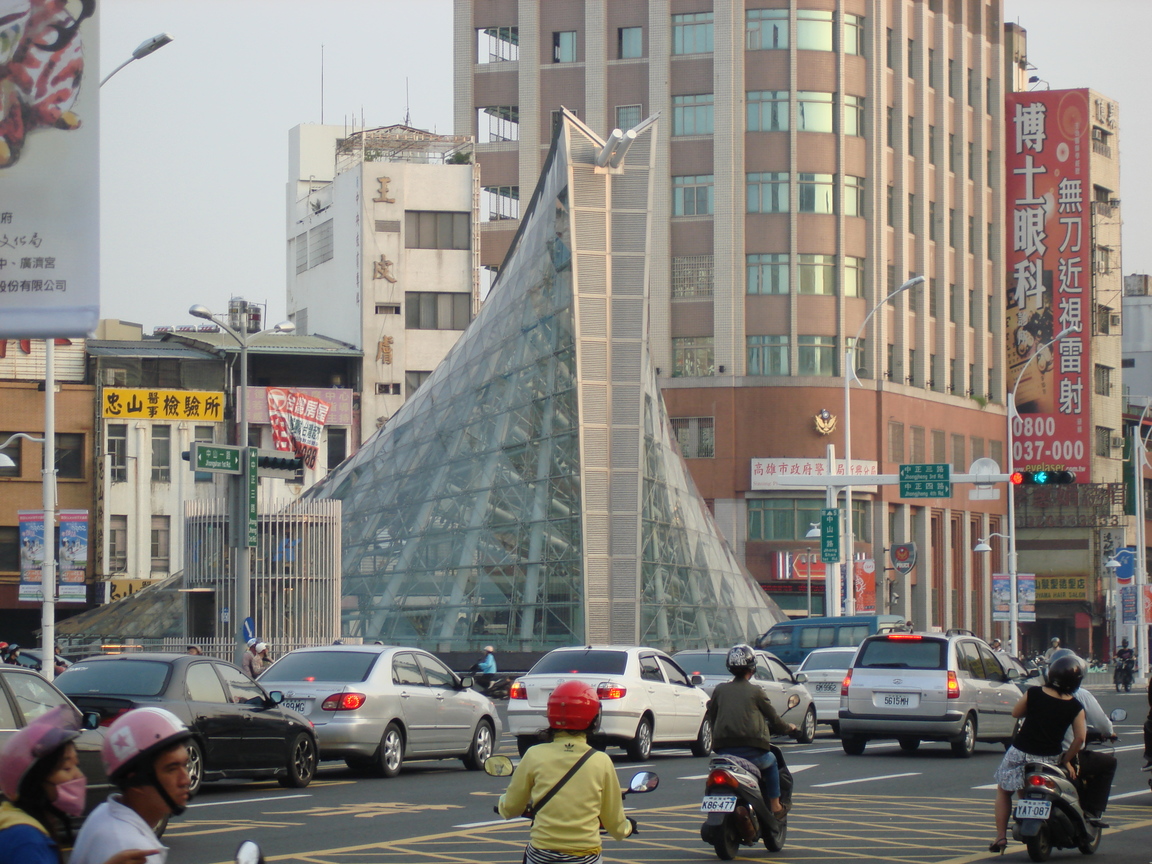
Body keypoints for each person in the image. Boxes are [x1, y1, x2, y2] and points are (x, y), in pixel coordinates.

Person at [497, 680, 634, 864]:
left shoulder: (534, 755)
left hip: (541, 855)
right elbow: (613, 821)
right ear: (593, 718)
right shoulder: (600, 761)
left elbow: (511, 808)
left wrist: (502, 804)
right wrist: (627, 828)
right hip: (585, 856)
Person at [0, 705, 154, 864]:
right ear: (33, 780)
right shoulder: (26, 842)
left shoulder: (18, 825)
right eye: (66, 768)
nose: (78, 776)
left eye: (77, 766)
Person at [988, 653, 1086, 854]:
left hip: (1020, 753)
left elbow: (1016, 713)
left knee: (1004, 791)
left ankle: (1000, 836)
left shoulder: (1034, 693)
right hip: (1049, 758)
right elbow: (1079, 739)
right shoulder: (1075, 706)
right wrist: (1066, 760)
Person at [70, 708, 193, 864]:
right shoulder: (133, 850)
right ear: (136, 781)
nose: (185, 780)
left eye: (185, 765)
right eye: (172, 769)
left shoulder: (104, 814)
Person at [706, 644, 798, 819]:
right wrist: (790, 728)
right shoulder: (756, 691)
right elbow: (775, 720)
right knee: (771, 762)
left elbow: (712, 715)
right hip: (753, 754)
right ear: (752, 668)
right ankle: (775, 806)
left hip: (724, 753)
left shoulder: (719, 690)